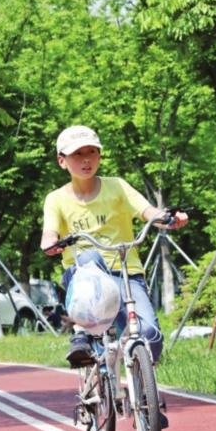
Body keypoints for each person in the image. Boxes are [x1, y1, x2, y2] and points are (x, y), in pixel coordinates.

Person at [40, 125, 188, 371]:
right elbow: (49, 232)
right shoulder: (56, 199)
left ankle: (141, 394)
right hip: (84, 279)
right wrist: (49, 243)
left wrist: (169, 219)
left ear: (99, 156)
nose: (86, 159)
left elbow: (148, 212)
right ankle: (82, 335)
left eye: (92, 152)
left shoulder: (117, 186)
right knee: (89, 256)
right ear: (62, 161)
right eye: (77, 154)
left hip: (126, 274)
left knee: (149, 335)